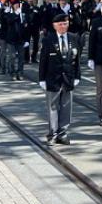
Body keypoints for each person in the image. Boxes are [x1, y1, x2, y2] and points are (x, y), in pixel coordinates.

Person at [39, 14, 82, 146]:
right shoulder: (48, 39)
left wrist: (77, 76)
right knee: (52, 107)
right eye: (60, 24)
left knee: (66, 107)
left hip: (68, 78)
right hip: (52, 78)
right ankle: (52, 134)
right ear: (54, 26)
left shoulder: (74, 38)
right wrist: (42, 79)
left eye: (65, 23)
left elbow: (77, 60)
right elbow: (43, 61)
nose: (63, 26)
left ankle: (63, 133)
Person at [5, 0, 30, 81]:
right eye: (15, 4)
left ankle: (20, 73)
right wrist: (16, 14)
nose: (17, 6)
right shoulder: (10, 14)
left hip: (21, 39)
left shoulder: (22, 15)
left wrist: (26, 39)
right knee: (12, 57)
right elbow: (9, 21)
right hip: (11, 39)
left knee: (21, 58)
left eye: (18, 4)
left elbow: (26, 27)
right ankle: (12, 72)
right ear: (13, 6)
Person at [22, 0, 41, 64]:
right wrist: (24, 24)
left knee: (36, 43)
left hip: (35, 28)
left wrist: (39, 26)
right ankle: (26, 58)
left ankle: (34, 58)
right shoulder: (24, 8)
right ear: (27, 1)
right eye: (29, 0)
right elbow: (23, 17)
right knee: (27, 43)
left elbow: (40, 18)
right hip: (27, 28)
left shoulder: (37, 8)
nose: (30, 1)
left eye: (31, 0)